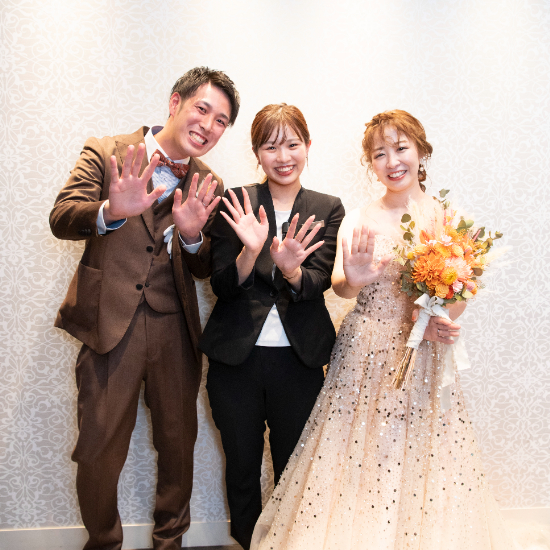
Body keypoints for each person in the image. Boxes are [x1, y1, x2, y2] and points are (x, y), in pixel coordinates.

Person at [251, 110, 516, 549]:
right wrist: (354, 278)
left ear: (421, 152)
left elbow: (460, 292)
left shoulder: (448, 221)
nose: (392, 162)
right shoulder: (358, 217)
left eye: (401, 148)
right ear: (370, 163)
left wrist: (440, 322)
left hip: (424, 354)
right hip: (366, 350)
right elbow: (342, 286)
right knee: (359, 450)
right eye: (379, 154)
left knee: (422, 450)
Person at [50, 67, 240, 550]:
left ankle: (169, 542)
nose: (208, 126)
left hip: (175, 327)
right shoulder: (107, 151)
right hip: (108, 323)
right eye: (202, 109)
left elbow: (203, 267)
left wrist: (193, 236)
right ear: (175, 103)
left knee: (178, 448)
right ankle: (104, 543)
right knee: (96, 450)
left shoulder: (210, 182)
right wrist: (111, 211)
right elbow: (62, 217)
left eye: (221, 121)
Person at [199, 103, 345, 549]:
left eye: (292, 144)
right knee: (241, 464)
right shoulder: (236, 201)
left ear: (308, 146)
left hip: (299, 361)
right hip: (235, 359)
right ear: (257, 153)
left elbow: (319, 282)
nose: (283, 157)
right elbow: (221, 284)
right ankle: (247, 542)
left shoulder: (327, 208)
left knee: (294, 467)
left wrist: (292, 270)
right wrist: (250, 251)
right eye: (270, 147)